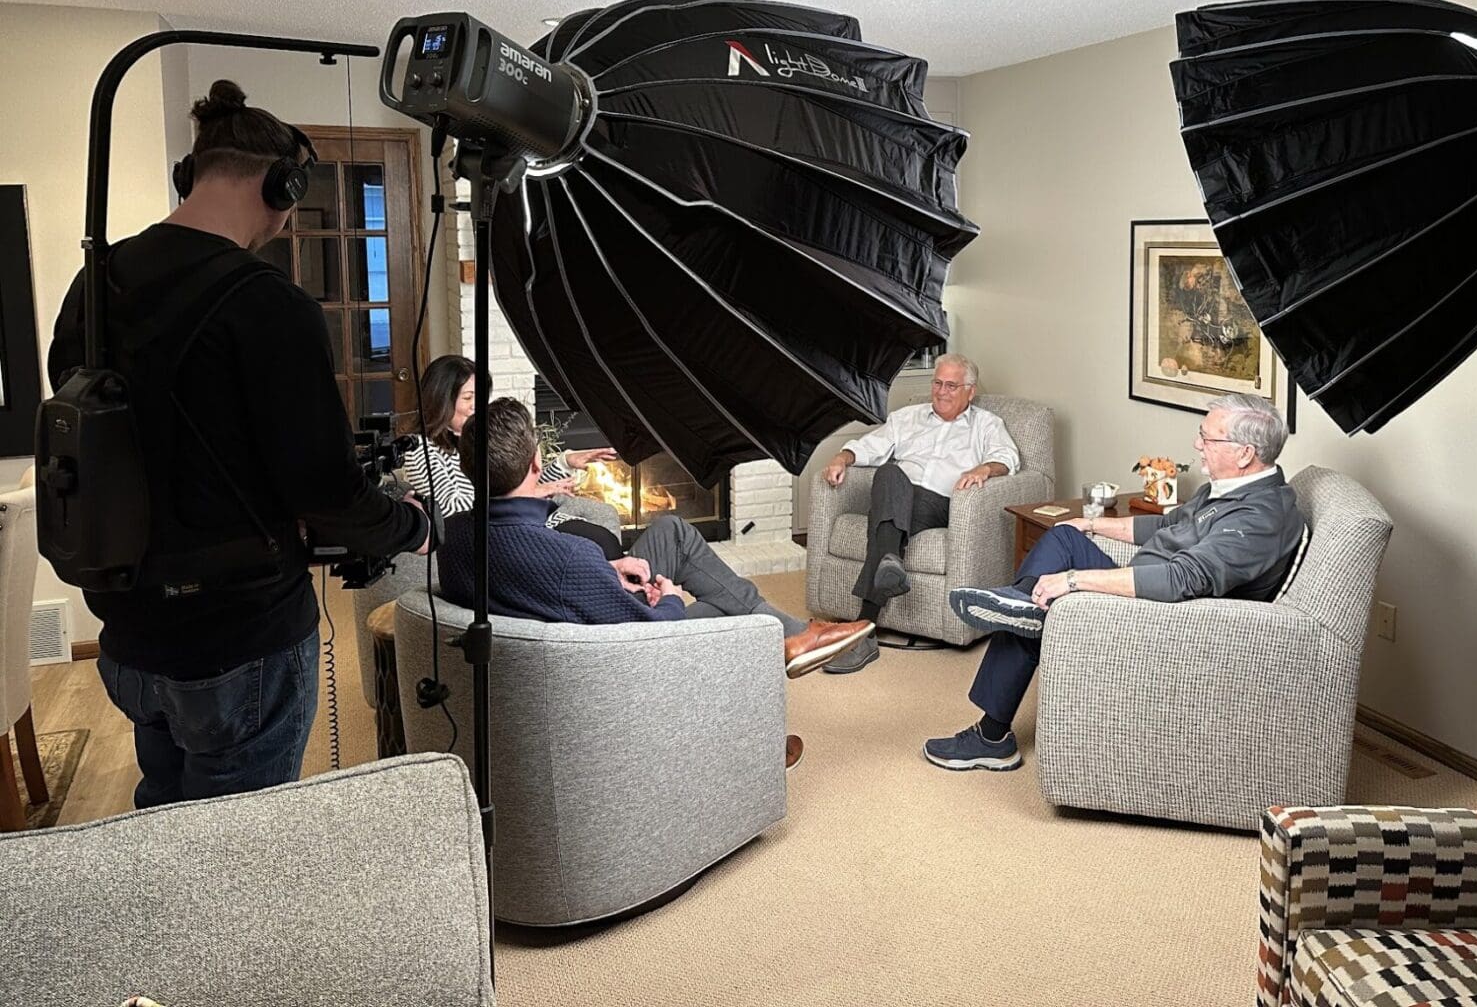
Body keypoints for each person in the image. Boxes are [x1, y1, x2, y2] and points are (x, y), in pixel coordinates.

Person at [45, 80, 431, 807]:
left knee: (168, 812)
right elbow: (326, 490)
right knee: (239, 845)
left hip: (128, 635)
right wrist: (411, 527)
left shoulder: (92, 286)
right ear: (283, 184)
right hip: (236, 641)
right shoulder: (265, 303)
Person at [922, 393, 1305, 772]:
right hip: (1148, 584)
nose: (1197, 445)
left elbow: (1180, 579)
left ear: (1245, 453)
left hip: (1168, 618)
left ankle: (992, 735)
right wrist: (1091, 523)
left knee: (1045, 600)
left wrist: (1073, 581)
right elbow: (1170, 524)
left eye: (1208, 438)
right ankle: (1023, 603)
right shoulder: (1228, 489)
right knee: (1062, 538)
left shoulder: (1259, 519)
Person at [437, 399, 874, 688]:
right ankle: (791, 641)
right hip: (614, 663)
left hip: (572, 627)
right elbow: (650, 630)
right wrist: (664, 598)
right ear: (536, 461)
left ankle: (796, 638)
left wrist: (607, 574)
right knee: (729, 610)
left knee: (672, 532)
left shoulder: (455, 537)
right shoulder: (570, 557)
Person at [816, 353, 1020, 673]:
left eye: (951, 386)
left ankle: (861, 629)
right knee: (890, 474)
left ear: (970, 390)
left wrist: (985, 468)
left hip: (939, 503)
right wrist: (842, 458)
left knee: (888, 501)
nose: (941, 391)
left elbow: (1007, 457)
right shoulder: (907, 417)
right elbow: (869, 446)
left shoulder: (986, 425)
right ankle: (882, 583)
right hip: (895, 496)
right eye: (937, 383)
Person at [400, 353, 618, 530]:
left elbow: (516, 479)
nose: (478, 405)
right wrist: (530, 493)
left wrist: (565, 462)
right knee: (595, 541)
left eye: (481, 396)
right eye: (467, 398)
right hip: (499, 534)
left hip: (523, 519)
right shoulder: (419, 449)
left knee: (602, 519)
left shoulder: (478, 435)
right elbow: (450, 508)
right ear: (441, 400)